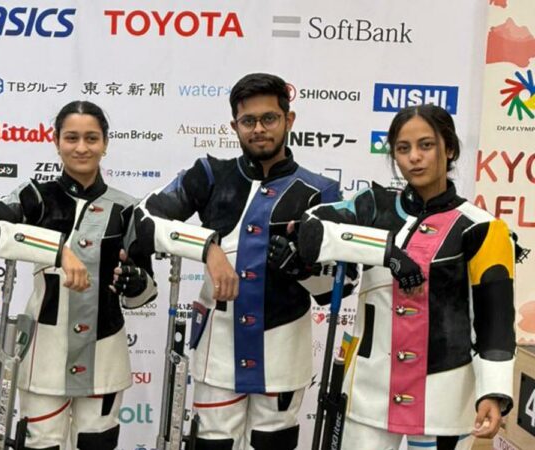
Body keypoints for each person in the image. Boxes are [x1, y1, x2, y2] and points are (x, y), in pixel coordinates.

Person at [136, 73, 344, 450]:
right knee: (214, 444)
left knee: (273, 443)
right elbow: (145, 220)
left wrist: (301, 268)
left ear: (289, 120)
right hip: (219, 349)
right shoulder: (211, 174)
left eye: (270, 118)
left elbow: (338, 288)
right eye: (249, 121)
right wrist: (206, 247)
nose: (259, 129)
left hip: (282, 351)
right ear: (235, 126)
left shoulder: (321, 191)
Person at [293, 104, 517, 449]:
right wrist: (386, 252)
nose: (414, 157)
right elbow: (307, 229)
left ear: (450, 148)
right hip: (369, 392)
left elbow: (496, 324)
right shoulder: (371, 206)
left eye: (426, 145)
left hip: (444, 399)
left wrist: (493, 392)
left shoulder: (484, 228)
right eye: (403, 148)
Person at [0, 100, 159, 450]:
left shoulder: (129, 209)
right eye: (71, 137)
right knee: (41, 444)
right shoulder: (34, 197)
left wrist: (136, 283)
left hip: (105, 352)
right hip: (44, 351)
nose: (81, 147)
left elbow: (146, 293)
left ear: (106, 143)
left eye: (91, 138)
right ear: (55, 140)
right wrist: (57, 250)